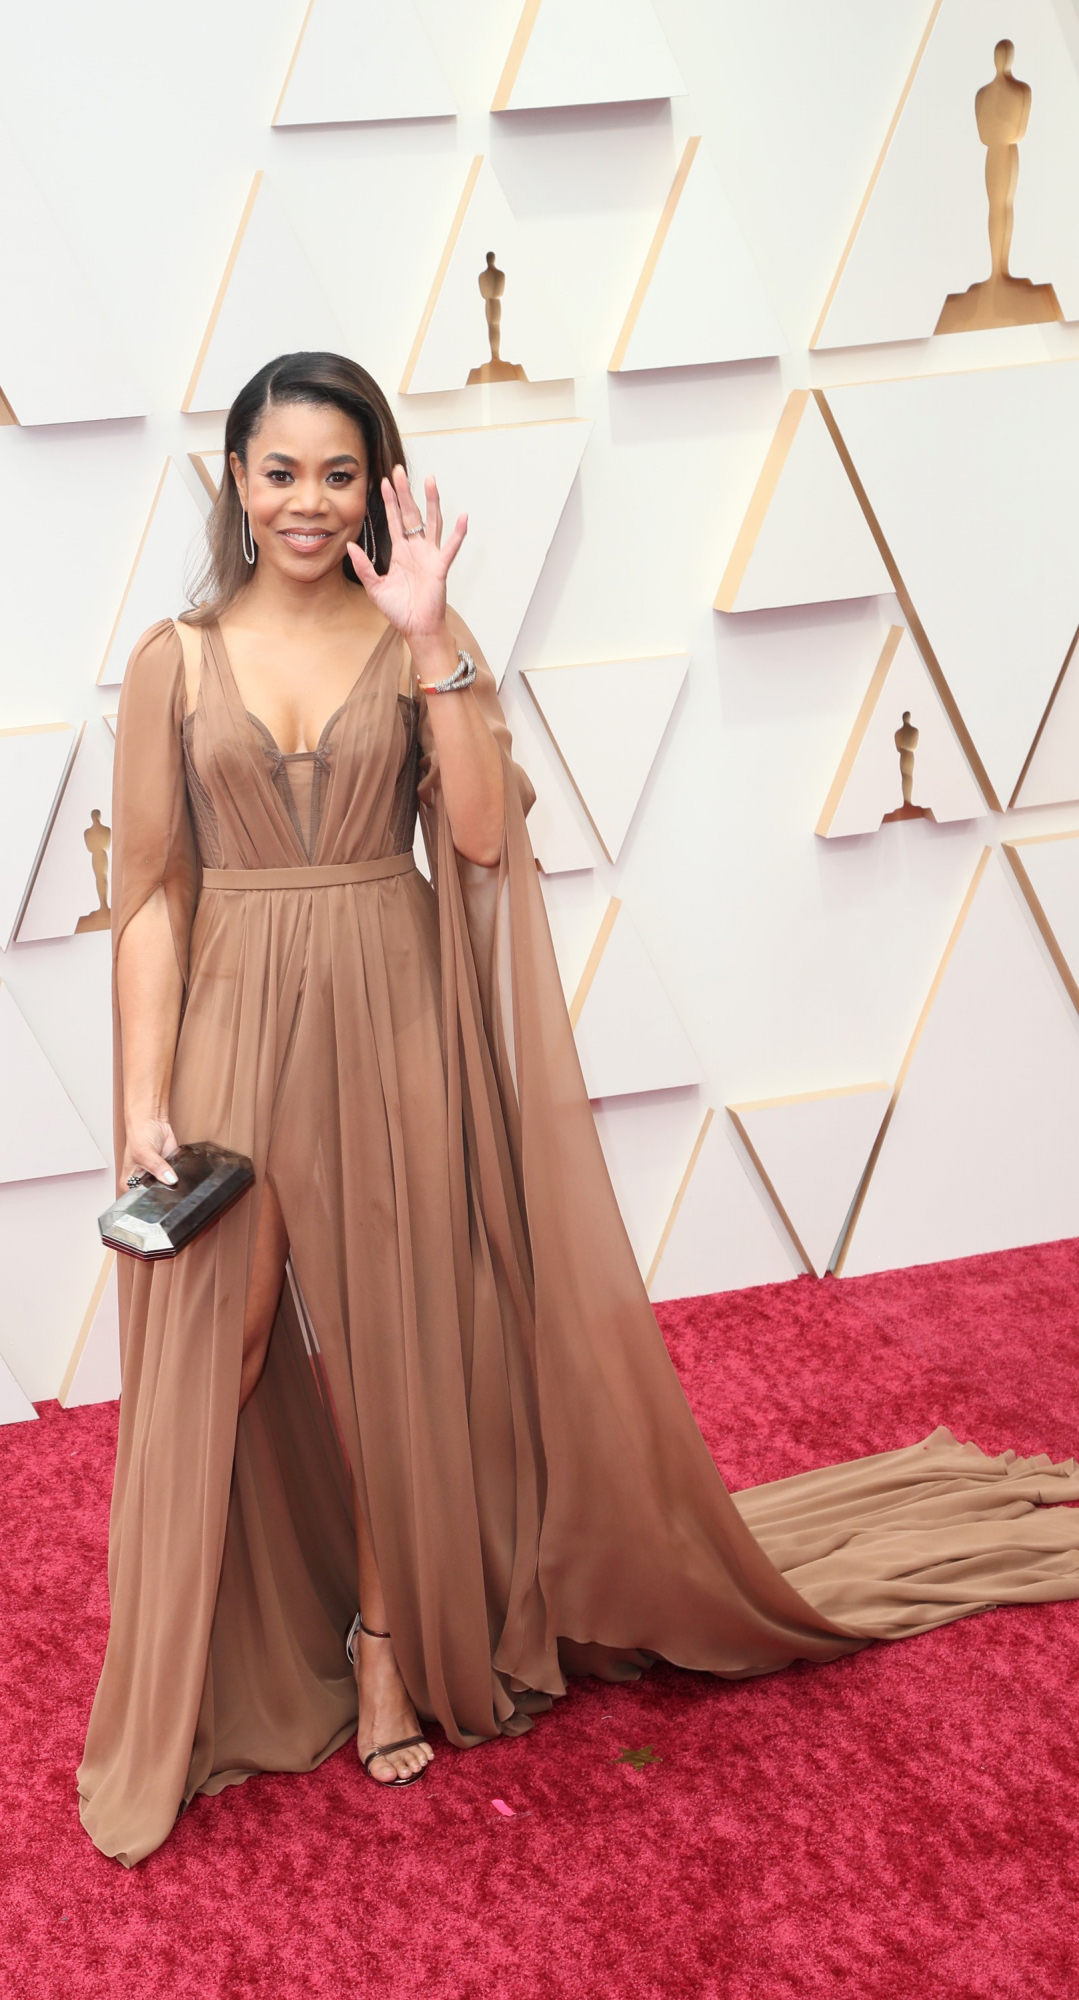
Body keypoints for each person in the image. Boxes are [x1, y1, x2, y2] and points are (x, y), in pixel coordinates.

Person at [78, 351, 1079, 1868]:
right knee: (225, 1347)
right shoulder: (176, 656)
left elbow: (478, 835)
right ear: (235, 479)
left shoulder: (424, 633)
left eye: (338, 473)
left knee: (402, 1337)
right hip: (232, 1021)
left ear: (379, 484)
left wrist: (430, 645)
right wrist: (143, 1094)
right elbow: (149, 891)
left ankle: (393, 1643)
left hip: (396, 1009)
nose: (306, 500)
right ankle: (204, 1663)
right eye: (279, 470)